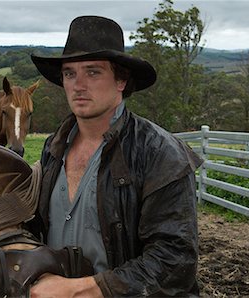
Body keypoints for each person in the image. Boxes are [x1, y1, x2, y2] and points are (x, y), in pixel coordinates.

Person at [28, 15, 203, 297]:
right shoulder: (53, 147)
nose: (78, 84)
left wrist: (83, 289)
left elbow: (174, 259)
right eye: (70, 73)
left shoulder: (160, 154)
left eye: (93, 72)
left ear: (121, 80)